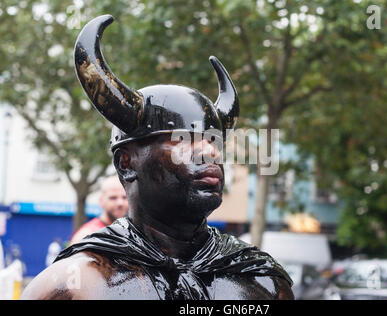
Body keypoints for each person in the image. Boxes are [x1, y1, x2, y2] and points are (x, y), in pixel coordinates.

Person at [21, 15, 293, 300]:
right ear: (126, 164)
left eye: (214, 141)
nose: (210, 152)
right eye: (182, 141)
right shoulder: (71, 286)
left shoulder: (262, 282)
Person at [70, 175, 128, 245]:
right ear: (101, 201)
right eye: (113, 198)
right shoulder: (88, 236)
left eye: (124, 197)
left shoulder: (130, 232)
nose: (120, 203)